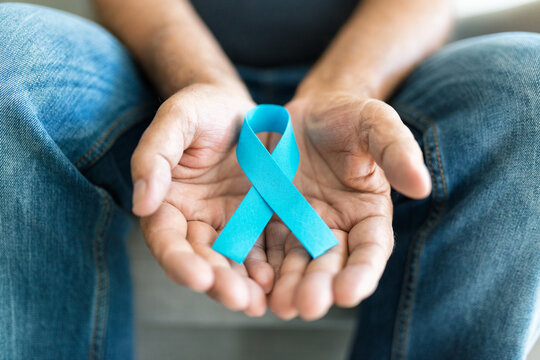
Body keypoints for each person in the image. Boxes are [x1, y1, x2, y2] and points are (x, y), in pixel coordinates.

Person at [0, 0, 538, 359]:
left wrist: (344, 87)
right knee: (9, 53)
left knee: (527, 83)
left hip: (380, 76)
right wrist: (203, 80)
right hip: (152, 70)